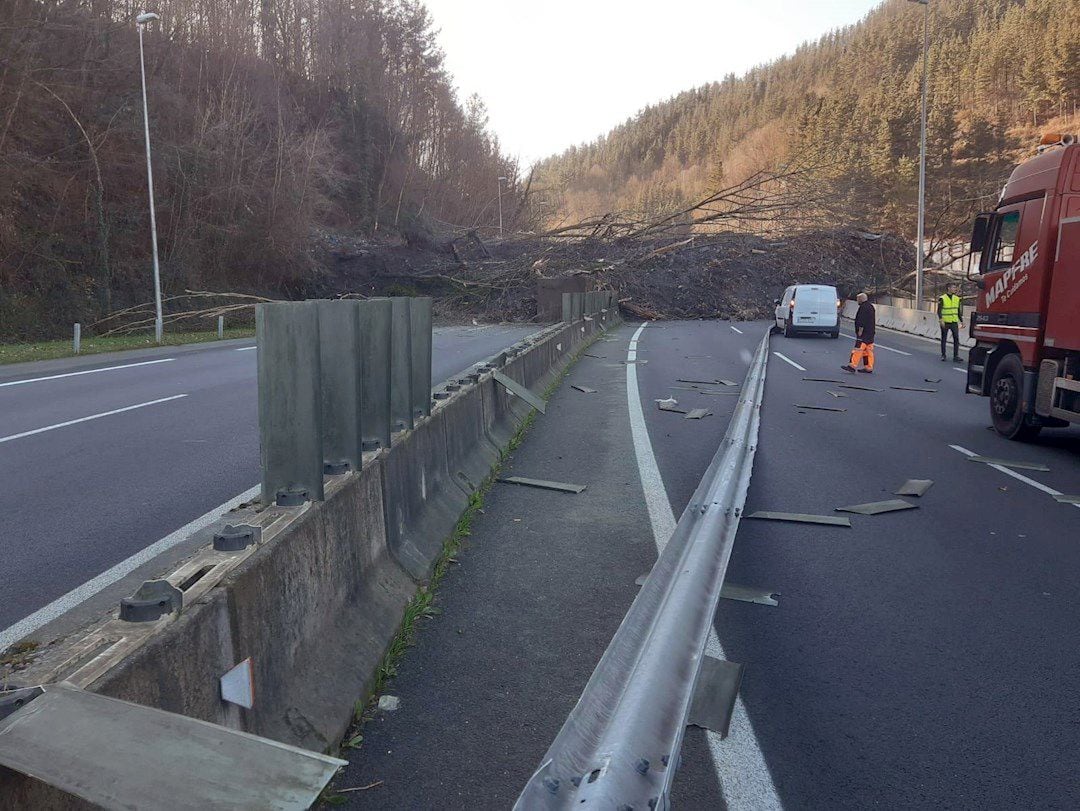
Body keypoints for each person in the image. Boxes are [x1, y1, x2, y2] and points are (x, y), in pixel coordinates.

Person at [842, 293, 875, 374]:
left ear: (861, 299)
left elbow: (861, 320)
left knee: (858, 349)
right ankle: (869, 367)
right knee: (868, 350)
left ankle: (852, 365)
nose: (857, 301)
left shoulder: (863, 308)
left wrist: (860, 331)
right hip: (870, 332)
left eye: (858, 299)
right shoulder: (870, 306)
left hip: (864, 333)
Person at [938, 282, 964, 362]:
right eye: (953, 287)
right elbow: (939, 311)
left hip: (954, 322)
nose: (955, 289)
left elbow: (958, 311)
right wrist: (941, 320)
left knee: (956, 338)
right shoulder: (942, 298)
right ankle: (943, 355)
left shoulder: (957, 299)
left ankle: (956, 356)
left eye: (955, 287)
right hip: (945, 322)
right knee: (944, 338)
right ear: (948, 288)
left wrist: (961, 321)